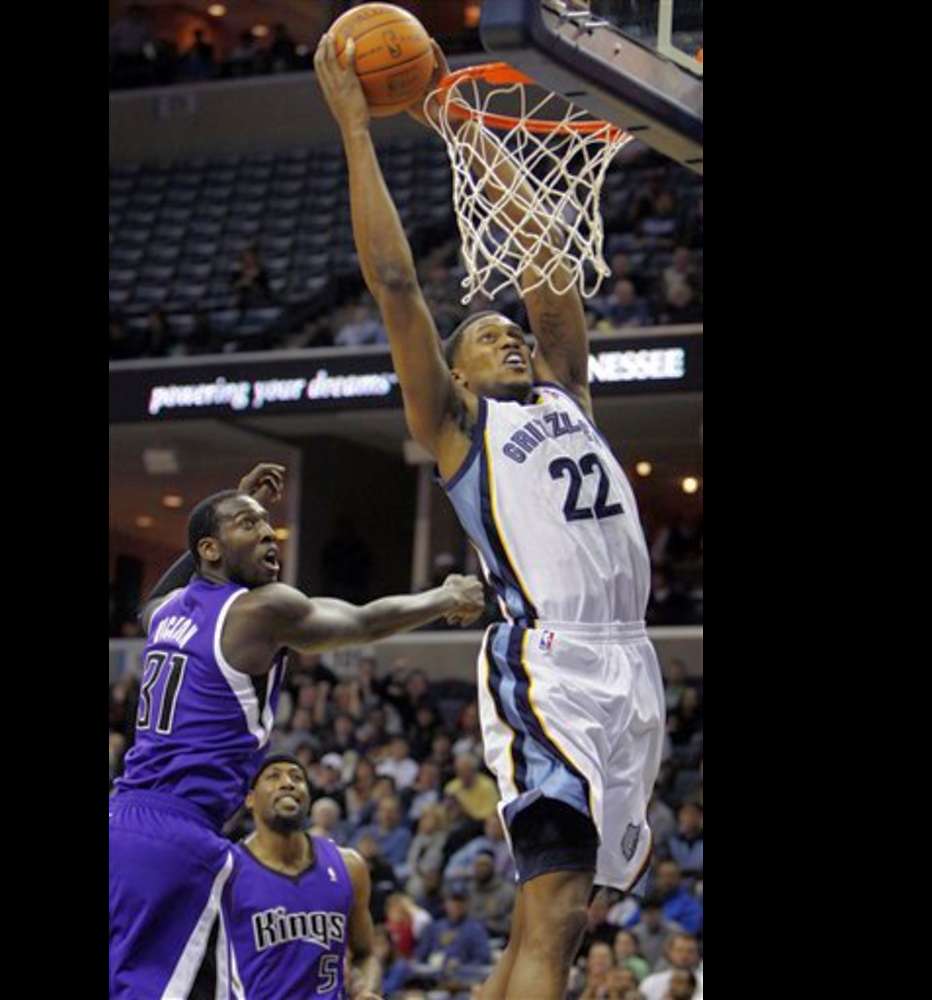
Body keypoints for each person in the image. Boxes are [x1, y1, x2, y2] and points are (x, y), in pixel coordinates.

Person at [316, 36, 667, 1000]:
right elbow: (396, 287)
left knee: (551, 916)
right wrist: (359, 125)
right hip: (547, 664)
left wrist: (463, 126)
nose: (508, 335)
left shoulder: (568, 397)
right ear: (457, 371)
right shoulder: (456, 427)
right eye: (483, 334)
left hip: (628, 664)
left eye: (510, 330)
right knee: (552, 912)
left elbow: (547, 262)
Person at [108, 463, 484, 999]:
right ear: (211, 551)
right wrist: (444, 597)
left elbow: (148, 601)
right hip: (178, 837)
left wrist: (226, 511)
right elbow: (361, 623)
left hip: (122, 820)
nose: (267, 532)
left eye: (268, 524)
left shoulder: (169, 612)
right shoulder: (260, 609)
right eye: (247, 523)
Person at [221, 754, 382, 999]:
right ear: (250, 798)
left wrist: (365, 989)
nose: (288, 783)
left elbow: (365, 954)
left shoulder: (349, 866)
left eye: (297, 777)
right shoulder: (226, 871)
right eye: (273, 776)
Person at [637, 933, 702, 999]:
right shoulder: (651, 982)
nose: (684, 956)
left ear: (697, 955)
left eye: (690, 951)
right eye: (679, 950)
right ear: (669, 953)